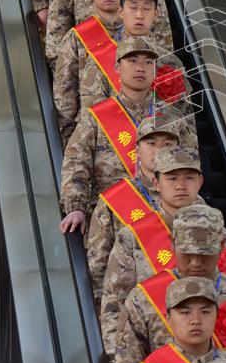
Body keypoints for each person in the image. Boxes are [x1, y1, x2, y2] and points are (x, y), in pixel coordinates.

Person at [100, 149, 226, 363]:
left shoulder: (220, 235)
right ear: (156, 183)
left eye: (188, 177)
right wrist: (116, 358)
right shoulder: (132, 237)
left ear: (201, 181)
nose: (180, 185)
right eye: (172, 178)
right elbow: (114, 302)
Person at [112, 205, 226, 363]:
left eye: (204, 254)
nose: (195, 263)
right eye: (187, 253)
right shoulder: (143, 299)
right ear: (172, 243)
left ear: (220, 247)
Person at [85, 105, 196, 305]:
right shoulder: (114, 200)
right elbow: (97, 268)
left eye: (168, 144)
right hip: (141, 316)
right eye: (151, 143)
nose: (160, 151)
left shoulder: (197, 204)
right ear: (137, 150)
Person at [59, 35, 159, 231]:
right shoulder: (96, 117)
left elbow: (187, 168)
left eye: (148, 62)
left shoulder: (172, 118)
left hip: (160, 224)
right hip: (109, 220)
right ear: (117, 68)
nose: (141, 67)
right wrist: (75, 207)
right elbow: (77, 161)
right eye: (132, 61)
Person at [52, 0, 125, 140]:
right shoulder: (77, 37)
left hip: (140, 132)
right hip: (95, 134)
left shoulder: (142, 36)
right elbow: (65, 91)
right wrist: (70, 135)